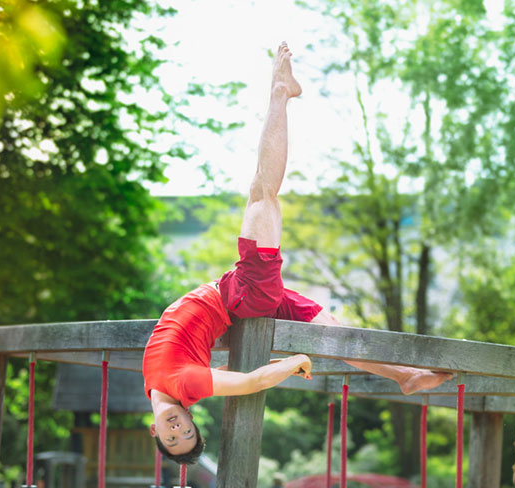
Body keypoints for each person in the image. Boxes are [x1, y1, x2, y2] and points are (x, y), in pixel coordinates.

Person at [143, 42, 453, 465]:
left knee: (333, 336)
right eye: (186, 433)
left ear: (155, 431)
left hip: (237, 306)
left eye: (172, 436)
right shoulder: (185, 385)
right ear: (194, 417)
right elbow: (251, 381)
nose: (178, 429)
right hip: (242, 295)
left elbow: (190, 343)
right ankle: (280, 92)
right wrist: (293, 362)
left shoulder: (157, 385)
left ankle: (406, 377)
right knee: (262, 194)